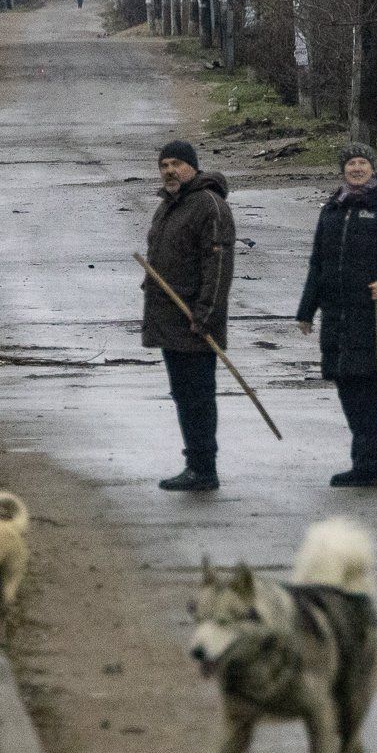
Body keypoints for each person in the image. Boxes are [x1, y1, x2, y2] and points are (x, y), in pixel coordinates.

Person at [297, 144, 377, 487]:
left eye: (363, 163)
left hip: (373, 315)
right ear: (343, 169)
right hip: (337, 316)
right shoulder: (332, 210)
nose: (358, 168)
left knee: (370, 388)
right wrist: (307, 310)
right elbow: (317, 264)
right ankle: (363, 460)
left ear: (373, 168)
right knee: (345, 383)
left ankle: (369, 465)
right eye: (351, 163)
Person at [141, 140, 235, 491]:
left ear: (193, 167)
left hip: (195, 321)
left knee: (197, 396)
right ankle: (194, 463)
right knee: (183, 394)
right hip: (170, 319)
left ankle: (204, 468)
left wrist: (206, 314)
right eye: (164, 164)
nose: (169, 171)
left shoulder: (209, 205)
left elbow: (219, 265)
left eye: (177, 164)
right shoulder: (169, 206)